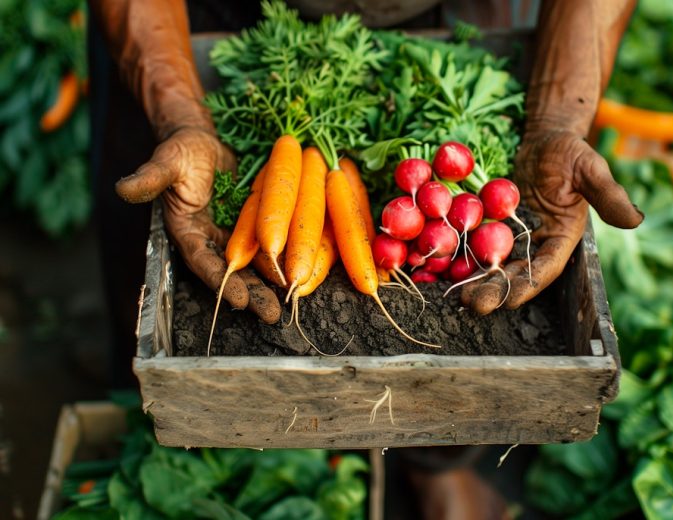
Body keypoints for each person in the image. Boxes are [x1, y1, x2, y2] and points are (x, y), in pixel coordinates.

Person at [87, 1, 643, 518]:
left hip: (459, 10)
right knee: (156, 248)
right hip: (220, 15)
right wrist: (181, 114)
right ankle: (181, 445)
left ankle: (440, 460)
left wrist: (555, 120)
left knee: (468, 370)